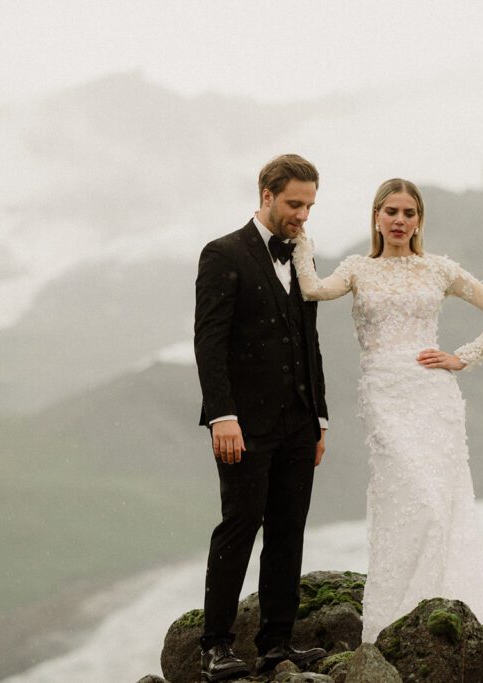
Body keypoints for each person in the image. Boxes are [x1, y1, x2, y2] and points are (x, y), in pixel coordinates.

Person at [291, 178, 483, 682]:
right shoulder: (359, 269)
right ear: (377, 217)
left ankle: (439, 617)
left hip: (433, 397)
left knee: (438, 508)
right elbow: (315, 289)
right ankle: (394, 622)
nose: (400, 220)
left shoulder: (439, 269)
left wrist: (461, 358)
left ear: (419, 219)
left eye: (409, 212)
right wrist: (301, 245)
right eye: (390, 211)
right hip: (383, 395)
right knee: (410, 502)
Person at [193, 154, 329, 682]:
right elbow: (210, 340)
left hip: (298, 423)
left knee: (289, 531)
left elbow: (308, 342)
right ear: (267, 195)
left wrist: (319, 417)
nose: (302, 215)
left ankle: (277, 644)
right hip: (243, 425)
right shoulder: (222, 253)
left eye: (310, 205)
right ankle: (214, 646)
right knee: (240, 526)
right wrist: (221, 416)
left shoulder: (303, 256)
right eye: (295, 203)